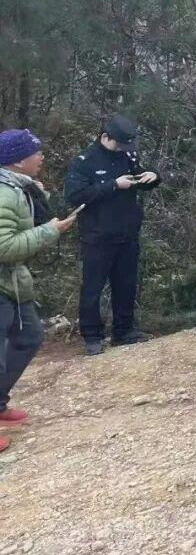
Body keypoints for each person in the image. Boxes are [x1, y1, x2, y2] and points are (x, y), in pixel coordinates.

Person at [0, 129, 78, 453]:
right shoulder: (4, 193)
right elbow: (4, 247)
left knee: (30, 335)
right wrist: (50, 231)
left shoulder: (18, 187)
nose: (42, 157)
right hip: (3, 280)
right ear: (18, 160)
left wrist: (38, 198)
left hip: (11, 282)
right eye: (36, 152)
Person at [64, 116, 162, 356]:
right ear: (105, 137)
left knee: (126, 284)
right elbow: (76, 196)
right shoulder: (84, 162)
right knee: (92, 288)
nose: (121, 149)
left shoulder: (127, 157)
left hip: (127, 232)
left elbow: (139, 179)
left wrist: (152, 177)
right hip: (97, 235)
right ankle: (92, 336)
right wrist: (113, 185)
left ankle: (124, 330)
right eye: (118, 143)